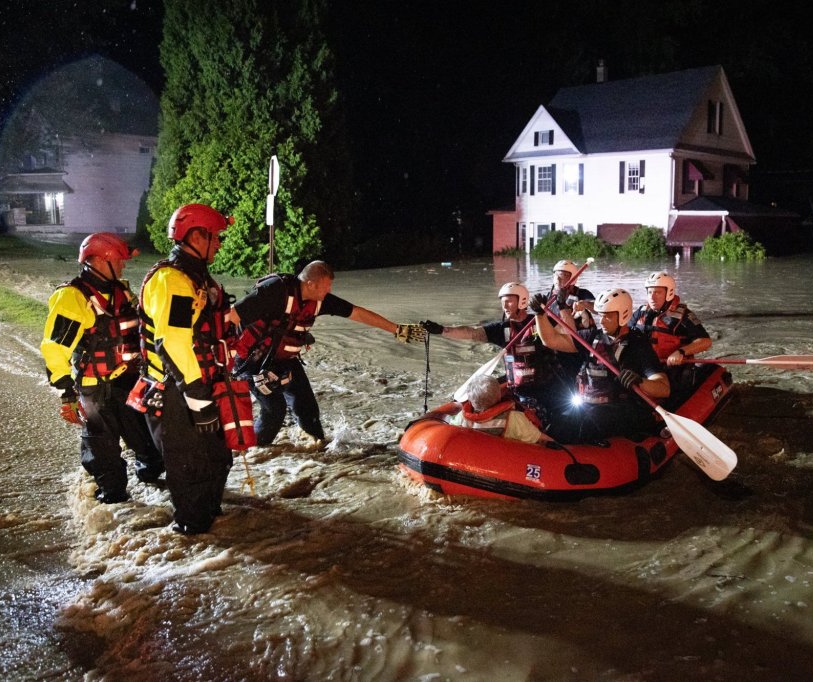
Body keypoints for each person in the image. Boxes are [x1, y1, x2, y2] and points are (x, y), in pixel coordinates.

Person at [228, 260, 427, 448]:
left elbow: (356, 312)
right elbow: (232, 315)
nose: (329, 291)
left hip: (285, 361)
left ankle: (317, 447)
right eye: (326, 286)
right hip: (252, 362)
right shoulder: (274, 291)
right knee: (274, 411)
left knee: (308, 409)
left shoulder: (319, 301)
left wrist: (396, 329)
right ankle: (254, 451)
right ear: (310, 284)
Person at [40, 232, 163, 504]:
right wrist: (67, 393)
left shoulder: (121, 290)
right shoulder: (72, 297)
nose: (123, 265)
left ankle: (152, 480)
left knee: (148, 444)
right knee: (103, 453)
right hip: (94, 388)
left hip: (129, 381)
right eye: (119, 260)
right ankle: (114, 502)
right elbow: (54, 348)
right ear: (98, 260)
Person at [138, 203, 236, 535]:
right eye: (216, 236)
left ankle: (209, 523)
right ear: (196, 236)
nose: (220, 243)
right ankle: (192, 535)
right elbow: (173, 343)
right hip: (177, 393)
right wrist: (198, 399)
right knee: (190, 468)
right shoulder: (171, 281)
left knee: (218, 458)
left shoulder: (196, 277)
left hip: (200, 386)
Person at [530, 287, 669, 443]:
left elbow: (663, 388)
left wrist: (640, 381)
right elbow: (551, 340)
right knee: (557, 424)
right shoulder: (591, 336)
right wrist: (539, 314)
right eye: (601, 316)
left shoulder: (638, 344)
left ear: (623, 316)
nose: (601, 321)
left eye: (608, 317)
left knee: (587, 423)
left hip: (619, 408)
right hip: (587, 404)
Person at [420, 282, 567, 423]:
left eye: (509, 301)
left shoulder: (540, 321)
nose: (504, 306)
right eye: (502, 302)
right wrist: (442, 330)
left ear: (522, 302)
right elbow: (472, 333)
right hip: (519, 390)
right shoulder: (501, 328)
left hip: (548, 388)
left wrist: (557, 307)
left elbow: (564, 333)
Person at [628, 271, 711, 396]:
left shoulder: (684, 316)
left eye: (658, 292)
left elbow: (705, 341)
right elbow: (625, 334)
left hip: (672, 370)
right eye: (650, 292)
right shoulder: (641, 312)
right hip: (646, 368)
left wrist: (681, 352)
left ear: (669, 293)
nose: (652, 297)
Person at [447, 374, 549, 445]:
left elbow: (451, 428)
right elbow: (538, 438)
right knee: (538, 408)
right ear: (499, 395)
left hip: (482, 452)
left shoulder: (462, 417)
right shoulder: (513, 418)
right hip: (511, 455)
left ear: (470, 399)